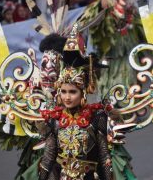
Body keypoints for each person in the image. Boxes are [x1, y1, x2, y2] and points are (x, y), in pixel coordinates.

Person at [37, 25, 113, 180]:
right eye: (63, 91)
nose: (67, 97)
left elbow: (104, 156)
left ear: (83, 93)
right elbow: (48, 157)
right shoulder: (55, 118)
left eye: (72, 92)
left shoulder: (96, 117)